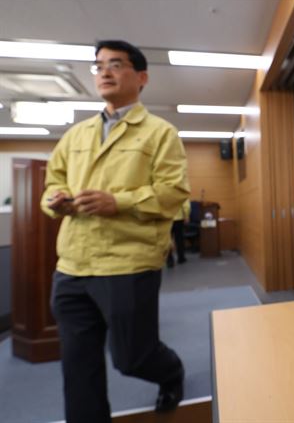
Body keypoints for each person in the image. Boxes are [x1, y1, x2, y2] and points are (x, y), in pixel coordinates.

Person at [41, 40, 189, 423]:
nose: (104, 72)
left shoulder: (160, 133)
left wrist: (117, 202)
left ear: (141, 78)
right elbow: (51, 182)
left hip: (128, 263)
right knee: (77, 367)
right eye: (99, 65)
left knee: (131, 357)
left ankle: (171, 373)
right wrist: (54, 200)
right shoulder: (75, 135)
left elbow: (173, 195)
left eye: (116, 64)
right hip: (72, 265)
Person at [167, 198, 191, 267]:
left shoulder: (162, 189)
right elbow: (186, 205)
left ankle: (169, 261)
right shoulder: (179, 190)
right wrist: (186, 215)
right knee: (179, 239)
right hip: (178, 219)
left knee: (167, 240)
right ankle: (181, 258)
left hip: (167, 219)